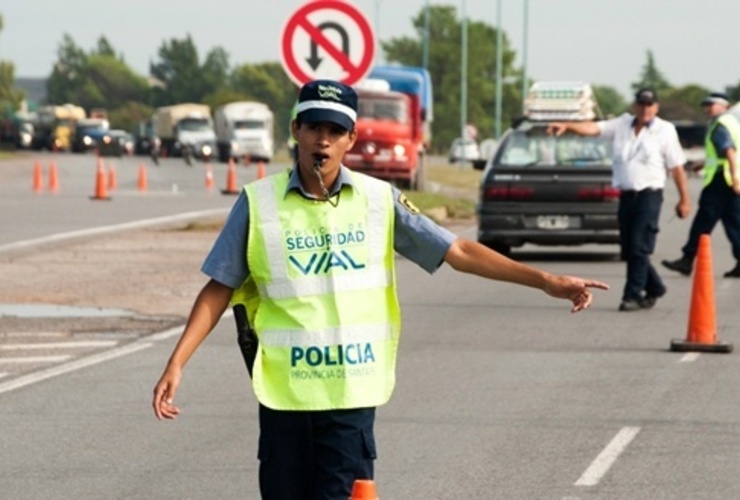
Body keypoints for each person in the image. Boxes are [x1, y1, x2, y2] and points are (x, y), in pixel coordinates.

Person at [152, 79, 609, 500]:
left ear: (352, 138)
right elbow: (219, 289)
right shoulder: (259, 203)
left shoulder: (378, 200)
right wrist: (177, 362)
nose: (323, 140)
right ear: (295, 130)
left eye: (336, 129)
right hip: (286, 393)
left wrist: (546, 281)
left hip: (352, 391)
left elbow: (460, 251)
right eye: (314, 127)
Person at [547, 88, 691, 312]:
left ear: (656, 107)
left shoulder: (665, 130)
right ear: (635, 106)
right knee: (630, 248)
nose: (645, 109)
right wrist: (568, 126)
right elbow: (593, 128)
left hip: (649, 196)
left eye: (649, 105)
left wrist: (684, 199)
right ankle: (655, 286)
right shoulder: (622, 124)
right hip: (626, 196)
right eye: (641, 104)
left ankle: (632, 295)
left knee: (638, 247)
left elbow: (677, 167)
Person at [662, 92, 740, 278]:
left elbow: (729, 151)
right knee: (734, 223)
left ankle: (687, 259)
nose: (708, 108)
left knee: (703, 222)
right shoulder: (731, 123)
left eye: (712, 104)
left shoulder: (720, 125)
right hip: (729, 181)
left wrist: (735, 176)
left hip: (721, 181)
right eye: (707, 105)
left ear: (724, 106)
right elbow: (721, 155)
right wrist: (703, 163)